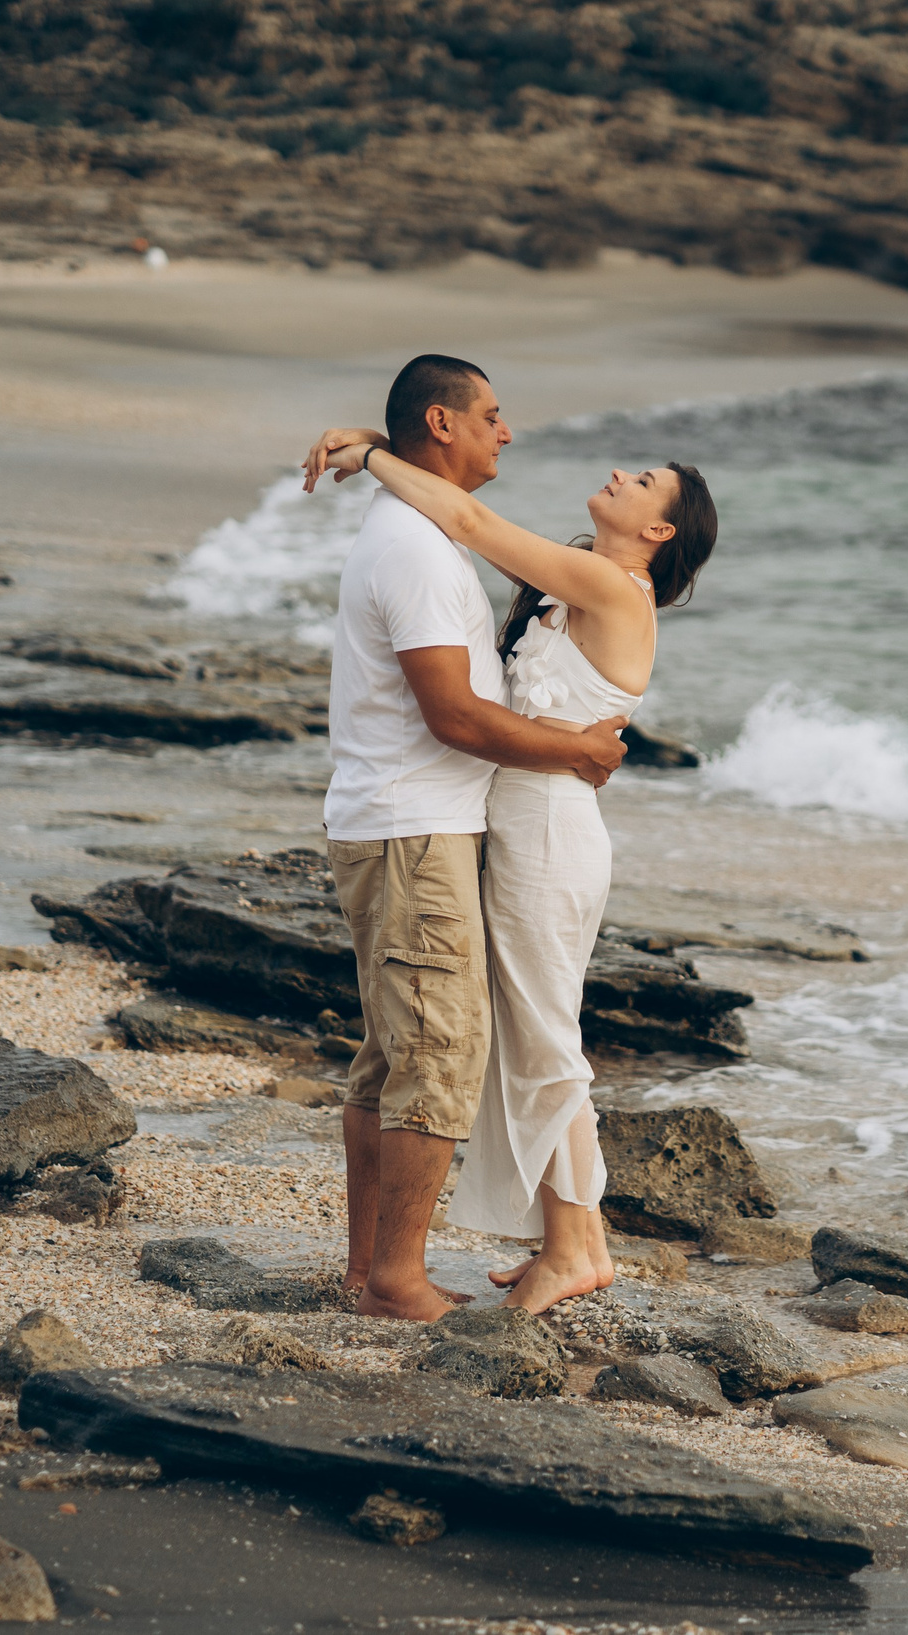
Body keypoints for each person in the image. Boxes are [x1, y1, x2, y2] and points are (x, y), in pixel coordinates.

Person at [304, 421, 718, 1313]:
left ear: (659, 531)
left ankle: (570, 1246)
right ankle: (578, 1244)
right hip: (517, 827)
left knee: (542, 1037)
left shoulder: (612, 586)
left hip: (549, 837)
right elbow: (461, 510)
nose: (619, 473)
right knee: (536, 1031)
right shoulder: (574, 582)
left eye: (642, 479)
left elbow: (469, 521)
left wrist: (373, 454)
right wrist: (399, 443)